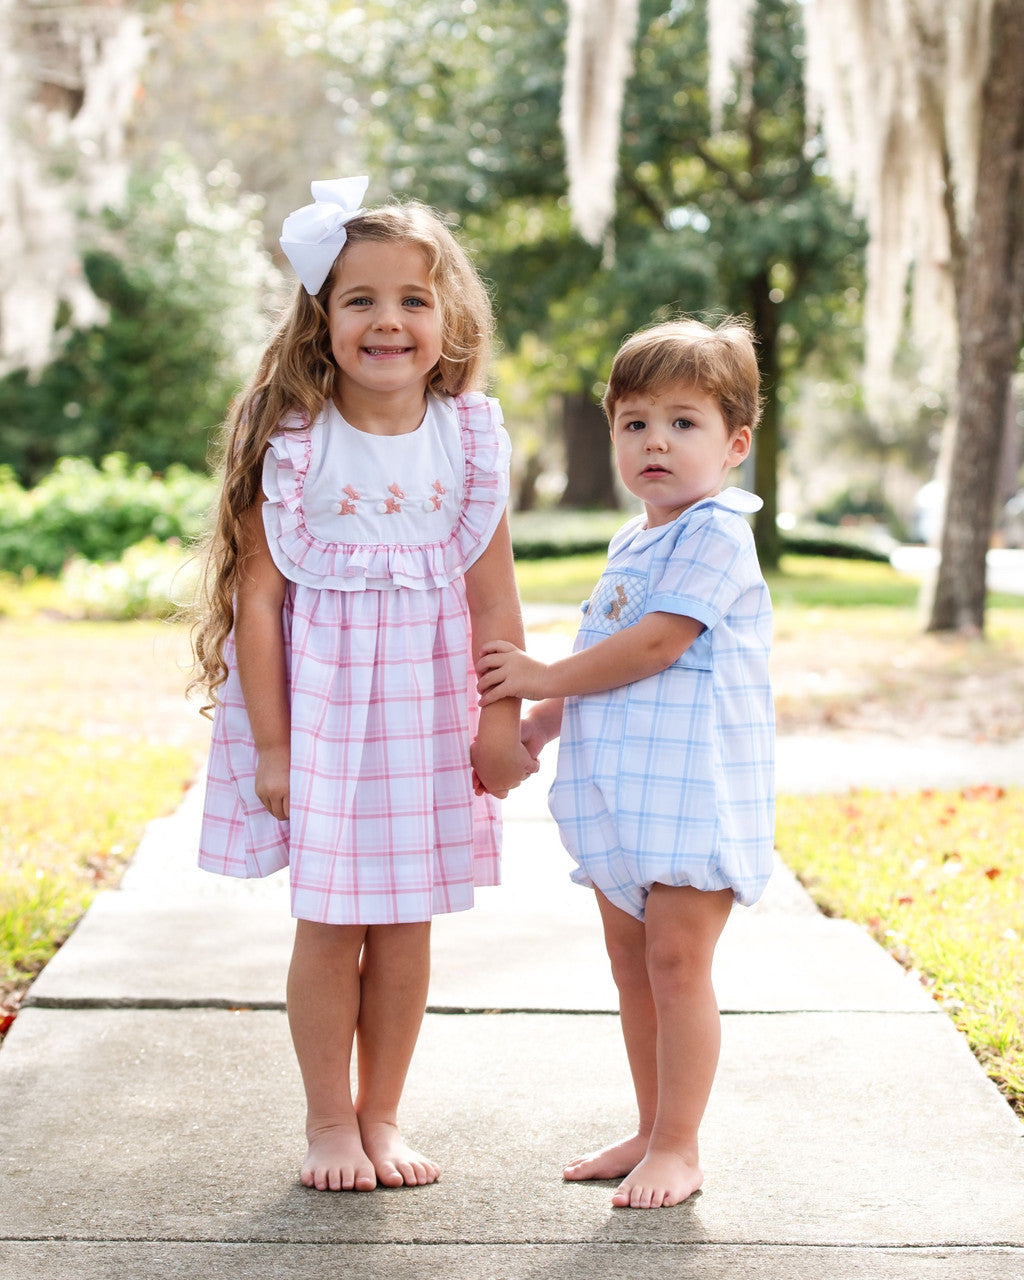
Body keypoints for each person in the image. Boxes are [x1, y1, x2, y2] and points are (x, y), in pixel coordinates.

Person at [190, 176, 534, 1195]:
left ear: (448, 316)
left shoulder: (469, 436)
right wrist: (277, 746)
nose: (389, 319)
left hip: (430, 709)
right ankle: (328, 1119)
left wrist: (499, 721)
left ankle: (383, 1111)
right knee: (333, 920)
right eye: (360, 299)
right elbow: (259, 602)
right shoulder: (292, 434)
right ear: (321, 317)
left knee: (406, 922)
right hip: (326, 714)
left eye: (413, 299)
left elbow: (493, 597)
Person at [476, 318, 774, 1210]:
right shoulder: (632, 542)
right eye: (635, 421)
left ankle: (681, 1145)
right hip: (623, 795)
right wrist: (548, 717)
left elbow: (654, 646)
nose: (656, 442)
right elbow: (608, 645)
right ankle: (650, 1125)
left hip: (694, 796)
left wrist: (536, 674)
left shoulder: (719, 533)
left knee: (679, 966)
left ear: (735, 443)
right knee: (631, 963)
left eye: (684, 423)